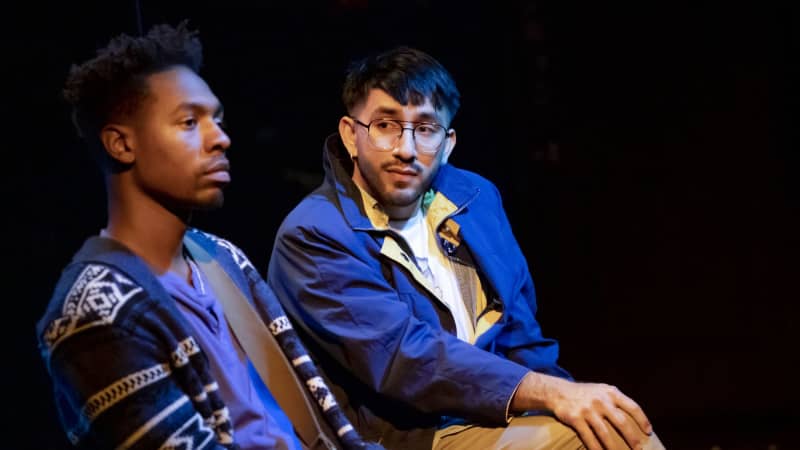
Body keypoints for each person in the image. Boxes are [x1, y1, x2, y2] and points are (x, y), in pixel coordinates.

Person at [267, 46, 665, 450]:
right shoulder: (315, 233)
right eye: (386, 125)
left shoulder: (473, 198)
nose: (405, 148)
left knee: (615, 427)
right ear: (352, 135)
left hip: (492, 413)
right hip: (404, 434)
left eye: (424, 129)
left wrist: (573, 398)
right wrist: (547, 393)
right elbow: (405, 359)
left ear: (447, 143)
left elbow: (521, 335)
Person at [36, 22, 378, 450]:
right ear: (121, 144)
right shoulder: (94, 312)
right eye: (188, 122)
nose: (220, 138)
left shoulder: (220, 257)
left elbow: (314, 418)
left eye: (216, 119)